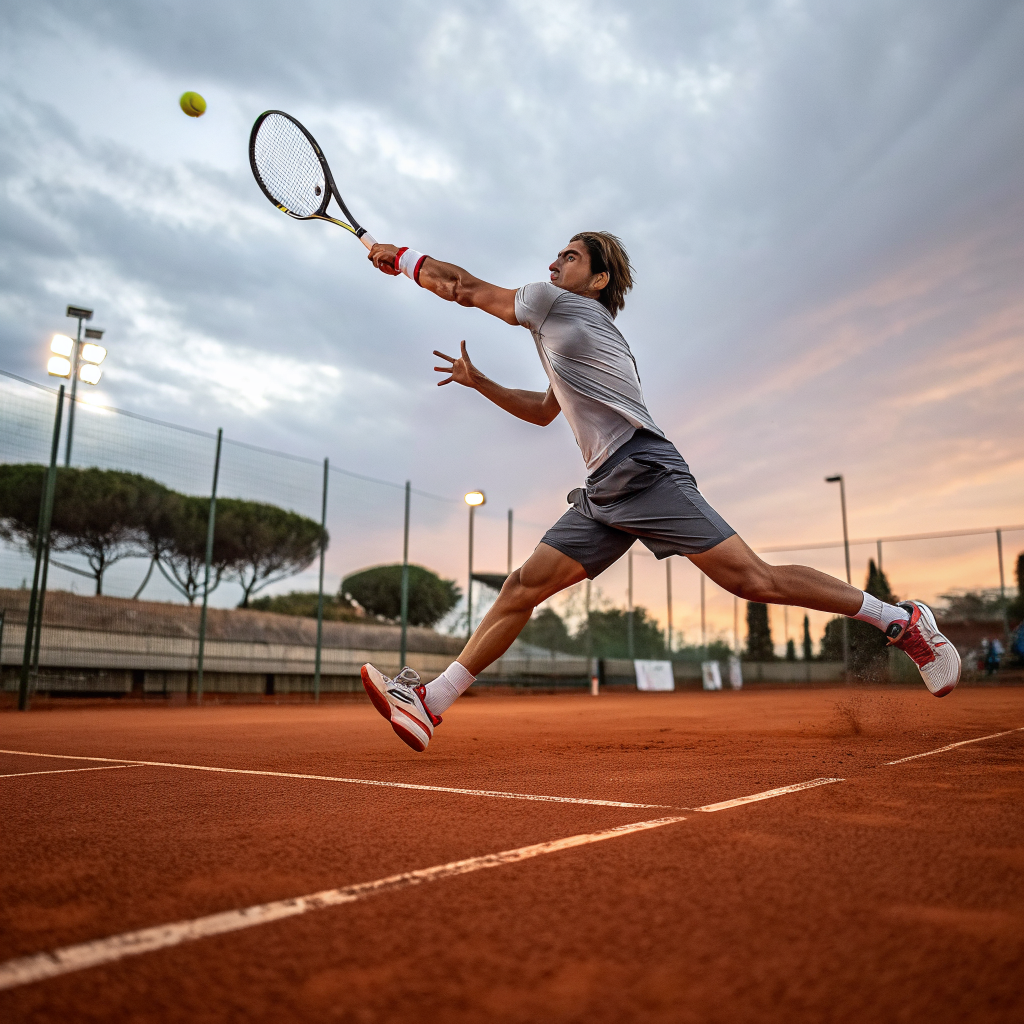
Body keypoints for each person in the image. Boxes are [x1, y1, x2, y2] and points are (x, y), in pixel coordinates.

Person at [359, 233, 961, 751]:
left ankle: (900, 619)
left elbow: (461, 286)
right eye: (555, 257)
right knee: (523, 586)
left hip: (644, 471)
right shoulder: (568, 336)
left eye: (568, 257)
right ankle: (431, 702)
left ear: (595, 280)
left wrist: (403, 258)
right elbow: (545, 411)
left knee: (754, 581)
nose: (551, 266)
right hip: (603, 489)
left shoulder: (555, 307)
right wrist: (479, 381)